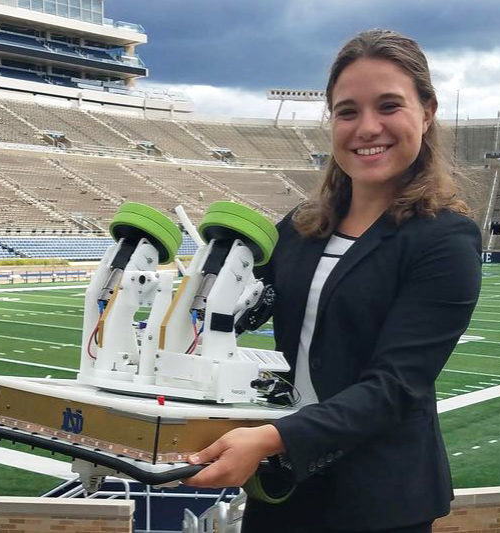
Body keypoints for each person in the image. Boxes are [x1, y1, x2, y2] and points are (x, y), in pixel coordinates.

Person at [183, 29, 482, 533]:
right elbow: (227, 313)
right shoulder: (300, 227)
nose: (367, 127)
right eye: (348, 112)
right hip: (282, 489)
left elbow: (394, 389)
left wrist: (271, 437)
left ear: (426, 112)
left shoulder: (444, 240)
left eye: (388, 106)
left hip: (378, 502)